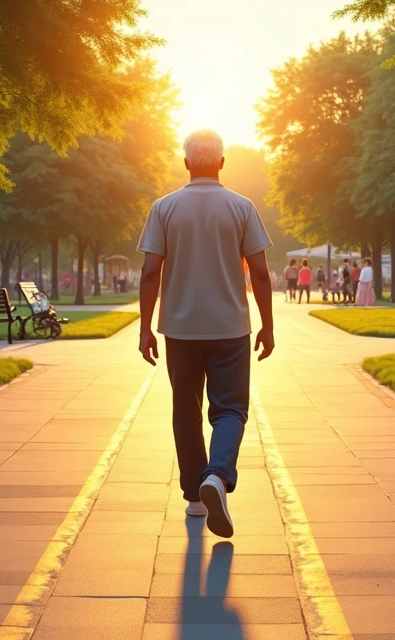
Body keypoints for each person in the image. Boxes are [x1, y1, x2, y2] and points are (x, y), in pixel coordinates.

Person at [137, 129, 274, 539]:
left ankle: (195, 497)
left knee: (186, 410)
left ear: (186, 163)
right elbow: (261, 273)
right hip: (230, 327)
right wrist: (267, 325)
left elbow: (150, 272)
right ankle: (218, 474)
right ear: (222, 163)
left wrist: (145, 329)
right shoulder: (242, 207)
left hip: (180, 329)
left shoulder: (164, 208)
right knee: (230, 409)